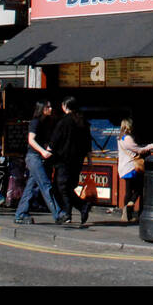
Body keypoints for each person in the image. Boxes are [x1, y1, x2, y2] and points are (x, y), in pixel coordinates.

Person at [14, 101, 69, 225]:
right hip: (34, 157)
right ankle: (58, 214)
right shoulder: (35, 122)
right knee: (45, 185)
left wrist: (48, 149)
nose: (50, 108)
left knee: (31, 187)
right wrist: (43, 152)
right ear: (41, 108)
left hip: (37, 157)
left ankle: (20, 214)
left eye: (50, 106)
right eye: (48, 106)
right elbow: (31, 140)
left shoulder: (46, 122)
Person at [49, 96, 93, 226]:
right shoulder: (82, 121)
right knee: (69, 186)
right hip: (78, 159)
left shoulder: (63, 122)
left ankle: (80, 206)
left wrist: (47, 151)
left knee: (61, 186)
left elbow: (54, 140)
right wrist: (90, 159)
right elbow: (88, 141)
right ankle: (68, 213)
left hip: (64, 159)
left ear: (64, 106)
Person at [117, 118, 153, 222]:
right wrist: (150, 146)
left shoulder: (120, 137)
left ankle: (126, 215)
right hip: (131, 166)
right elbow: (138, 150)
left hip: (124, 167)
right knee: (139, 187)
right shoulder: (128, 138)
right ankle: (130, 205)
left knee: (129, 190)